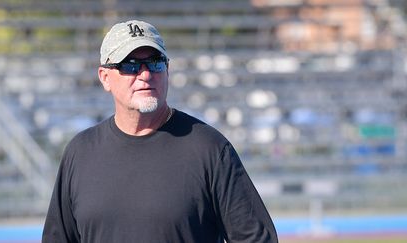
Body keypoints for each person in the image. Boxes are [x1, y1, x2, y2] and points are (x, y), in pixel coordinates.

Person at [42, 19, 278, 243]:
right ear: (105, 77)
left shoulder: (209, 149)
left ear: (167, 70)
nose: (145, 75)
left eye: (155, 62)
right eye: (130, 65)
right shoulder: (80, 153)